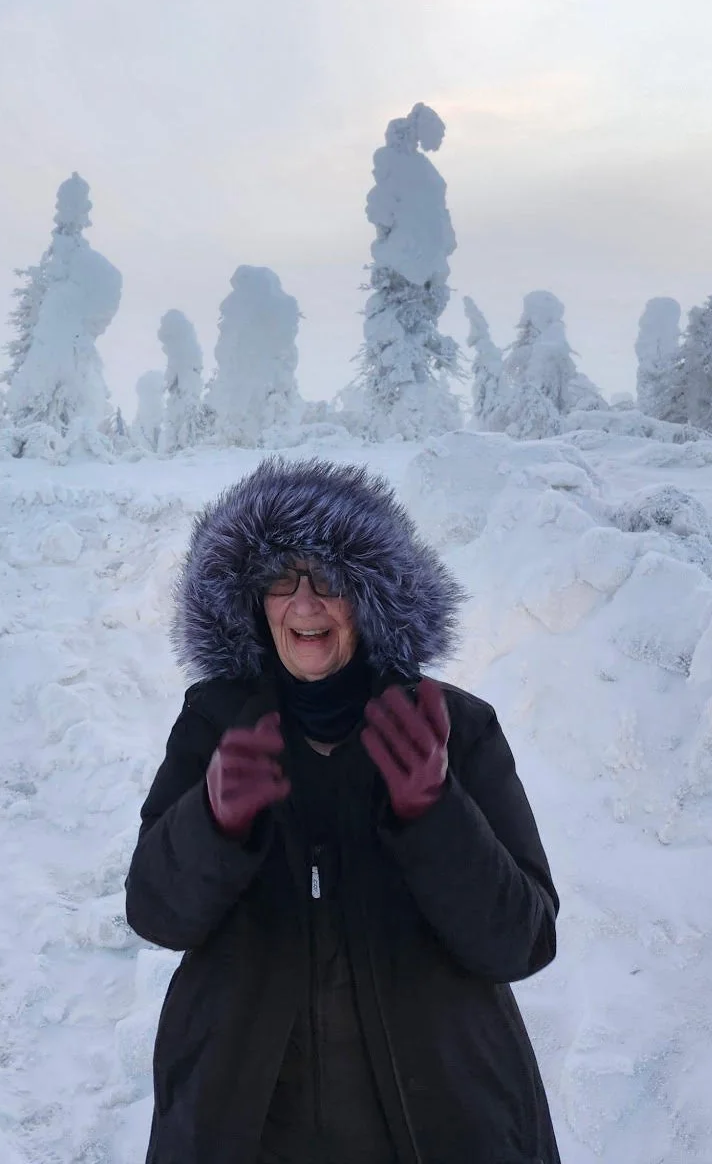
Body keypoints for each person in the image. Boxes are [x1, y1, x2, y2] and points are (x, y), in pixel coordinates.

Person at [126, 458, 561, 1164]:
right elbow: (156, 912)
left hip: (443, 1129)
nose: (304, 604)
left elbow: (523, 941)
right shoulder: (217, 725)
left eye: (329, 579)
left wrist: (434, 811)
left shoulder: (453, 726)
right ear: (250, 601)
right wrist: (212, 822)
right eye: (279, 580)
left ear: (370, 595)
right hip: (244, 1130)